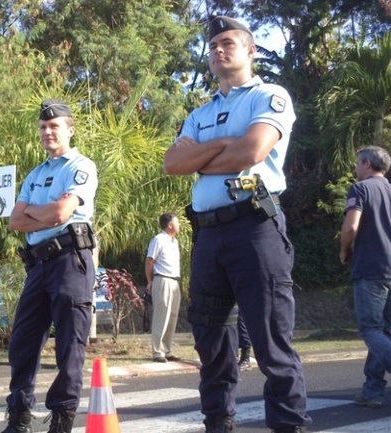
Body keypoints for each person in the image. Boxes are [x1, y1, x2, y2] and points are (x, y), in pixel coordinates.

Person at [163, 16, 310, 433]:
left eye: (228, 43)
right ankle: (218, 423)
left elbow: (253, 150)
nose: (218, 50)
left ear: (249, 50)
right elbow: (173, 164)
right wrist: (226, 144)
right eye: (212, 46)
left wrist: (207, 156)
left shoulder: (269, 96)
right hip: (208, 236)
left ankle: (289, 426)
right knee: (212, 344)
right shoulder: (200, 113)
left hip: (255, 230)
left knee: (270, 345)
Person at [2, 99, 98, 433]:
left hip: (70, 261)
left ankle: (61, 420)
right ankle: (18, 417)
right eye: (43, 127)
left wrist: (37, 215)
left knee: (70, 345)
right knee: (22, 344)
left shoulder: (80, 166)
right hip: (39, 266)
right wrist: (46, 215)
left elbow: (61, 214)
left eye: (54, 126)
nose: (47, 131)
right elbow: (15, 221)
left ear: (69, 130)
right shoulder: (36, 173)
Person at [339, 145, 391, 409]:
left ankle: (373, 390)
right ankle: (372, 391)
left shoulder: (360, 189)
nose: (356, 169)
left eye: (358, 164)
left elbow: (351, 226)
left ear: (367, 164)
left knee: (370, 330)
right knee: (384, 331)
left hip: (372, 268)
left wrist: (344, 249)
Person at [145, 212, 182, 363]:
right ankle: (157, 352)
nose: (179, 225)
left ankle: (167, 350)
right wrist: (150, 281)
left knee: (172, 316)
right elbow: (149, 261)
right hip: (162, 279)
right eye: (177, 222)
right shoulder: (158, 239)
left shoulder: (175, 242)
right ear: (170, 225)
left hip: (174, 281)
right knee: (162, 316)